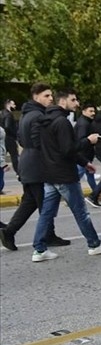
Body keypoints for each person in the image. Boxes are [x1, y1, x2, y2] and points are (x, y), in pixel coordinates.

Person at [31, 89, 101, 261]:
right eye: (73, 100)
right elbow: (68, 149)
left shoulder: (43, 120)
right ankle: (94, 244)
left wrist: (84, 163)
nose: (77, 103)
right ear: (63, 102)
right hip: (64, 174)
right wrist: (88, 141)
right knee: (81, 212)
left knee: (47, 213)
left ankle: (39, 249)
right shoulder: (61, 122)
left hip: (50, 174)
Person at [0, 83, 70, 252]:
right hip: (37, 165)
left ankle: (9, 232)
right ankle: (48, 236)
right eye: (46, 96)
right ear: (36, 97)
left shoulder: (26, 115)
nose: (50, 98)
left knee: (30, 202)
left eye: (51, 95)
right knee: (45, 204)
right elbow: (40, 141)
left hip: (27, 162)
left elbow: (21, 140)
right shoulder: (39, 115)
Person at [73, 102, 97, 193]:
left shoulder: (85, 122)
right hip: (83, 156)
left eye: (94, 111)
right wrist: (90, 140)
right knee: (76, 178)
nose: (93, 113)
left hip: (85, 155)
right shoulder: (84, 124)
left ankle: (96, 193)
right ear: (84, 111)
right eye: (90, 111)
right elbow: (81, 140)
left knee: (90, 175)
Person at [1, 99, 17, 174]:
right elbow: (7, 126)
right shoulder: (9, 114)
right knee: (14, 156)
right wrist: (14, 134)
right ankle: (18, 172)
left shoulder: (2, 113)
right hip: (9, 137)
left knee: (2, 154)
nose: (15, 105)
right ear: (8, 105)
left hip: (3, 138)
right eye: (13, 104)